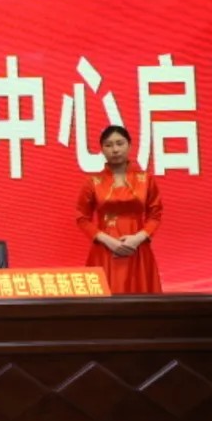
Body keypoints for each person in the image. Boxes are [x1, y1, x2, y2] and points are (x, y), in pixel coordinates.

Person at [76, 125, 163, 295]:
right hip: (104, 249)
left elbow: (155, 214)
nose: (115, 149)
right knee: (104, 303)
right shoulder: (92, 182)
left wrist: (138, 238)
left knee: (141, 301)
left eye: (119, 143)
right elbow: (82, 218)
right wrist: (109, 242)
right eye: (108, 145)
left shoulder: (146, 179)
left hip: (138, 248)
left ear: (129, 145)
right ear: (102, 150)